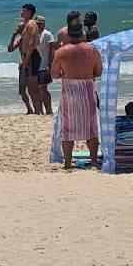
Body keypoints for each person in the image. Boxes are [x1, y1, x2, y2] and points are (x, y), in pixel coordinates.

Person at [51, 18, 103, 169]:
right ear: (82, 34)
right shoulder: (92, 49)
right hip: (87, 88)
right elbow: (98, 71)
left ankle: (67, 163)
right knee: (91, 126)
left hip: (69, 90)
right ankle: (93, 162)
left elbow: (54, 74)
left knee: (67, 127)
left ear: (69, 35)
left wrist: (64, 73)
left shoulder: (61, 51)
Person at [35, 15, 55, 115]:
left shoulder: (48, 34)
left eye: (40, 23)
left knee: (43, 89)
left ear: (43, 24)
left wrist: (49, 65)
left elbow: (52, 50)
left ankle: (49, 110)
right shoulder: (34, 34)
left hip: (44, 65)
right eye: (37, 23)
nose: (38, 25)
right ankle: (40, 111)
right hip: (36, 66)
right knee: (38, 89)